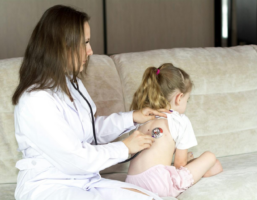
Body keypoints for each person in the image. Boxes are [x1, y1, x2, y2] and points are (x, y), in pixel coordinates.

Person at [12, 5, 169, 200]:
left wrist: (133, 117)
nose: (90, 51)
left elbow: (90, 131)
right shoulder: (36, 100)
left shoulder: (71, 83)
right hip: (49, 187)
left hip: (85, 181)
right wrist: (125, 147)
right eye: (85, 43)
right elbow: (75, 158)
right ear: (62, 45)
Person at [125, 63, 223, 197]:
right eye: (187, 100)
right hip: (159, 185)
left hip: (131, 184)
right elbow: (180, 164)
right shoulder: (180, 120)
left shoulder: (143, 116)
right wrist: (188, 163)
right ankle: (202, 170)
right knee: (211, 158)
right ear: (179, 98)